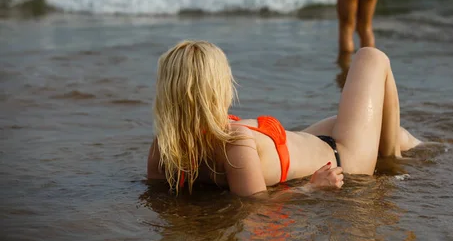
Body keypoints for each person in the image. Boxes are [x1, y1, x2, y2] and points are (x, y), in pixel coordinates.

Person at [147, 40, 421, 197]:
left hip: (315, 140)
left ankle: (398, 149)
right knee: (371, 56)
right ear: (217, 89)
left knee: (390, 130)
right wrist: (312, 188)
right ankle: (392, 160)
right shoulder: (235, 144)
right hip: (342, 157)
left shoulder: (163, 148)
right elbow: (256, 206)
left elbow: (158, 196)